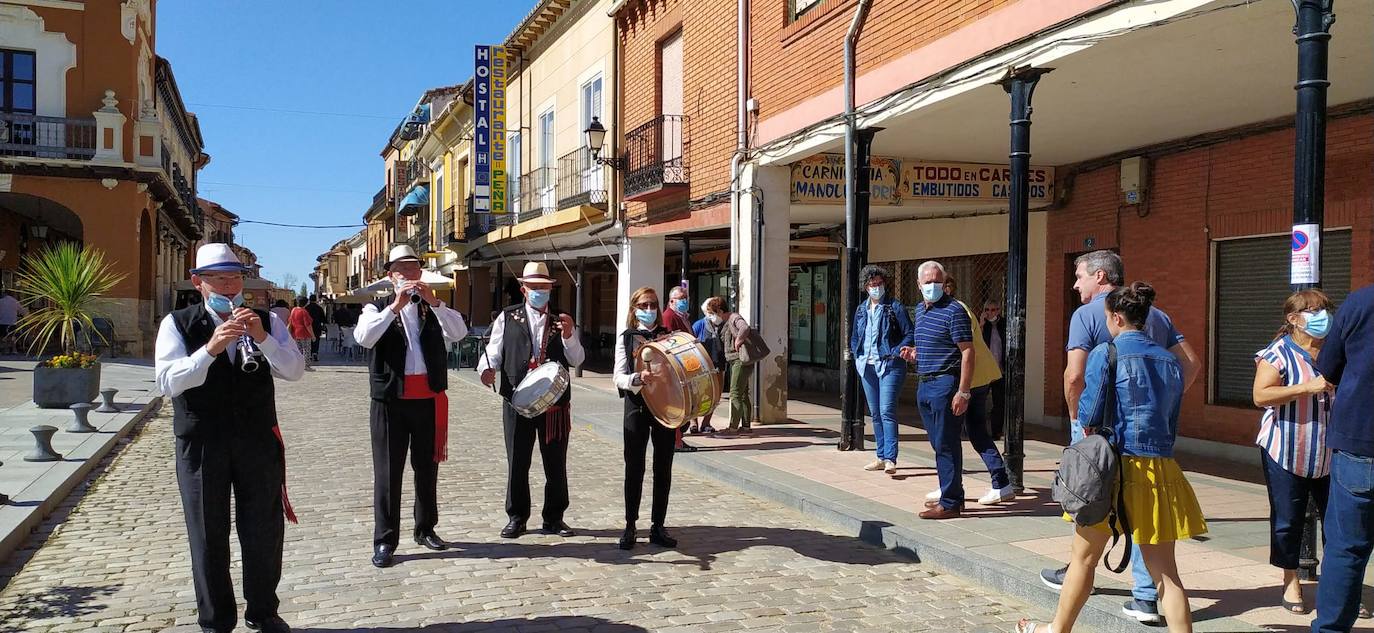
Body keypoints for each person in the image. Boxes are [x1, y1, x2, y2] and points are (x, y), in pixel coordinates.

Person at [1017, 282, 1205, 633]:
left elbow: (1089, 413)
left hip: (1113, 469)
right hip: (1159, 469)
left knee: (1083, 560)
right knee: (1167, 574)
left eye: (1107, 318)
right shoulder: (1169, 360)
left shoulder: (1106, 352)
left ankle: (1056, 630)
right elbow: (1171, 413)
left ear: (1117, 317)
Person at [154, 243, 305, 633]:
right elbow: (168, 382)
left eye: (235, 277)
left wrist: (263, 337)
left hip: (257, 439)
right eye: (219, 278)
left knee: (263, 529)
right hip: (202, 443)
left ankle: (263, 610)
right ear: (198, 282)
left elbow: (294, 370)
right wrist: (211, 348)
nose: (229, 285)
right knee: (208, 533)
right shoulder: (177, 323)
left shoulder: (267, 320)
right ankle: (216, 621)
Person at [353, 245, 468, 568]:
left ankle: (425, 528)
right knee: (388, 473)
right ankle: (385, 540)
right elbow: (364, 338)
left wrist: (434, 302)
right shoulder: (375, 309)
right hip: (390, 401)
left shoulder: (432, 308)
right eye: (402, 270)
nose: (409, 275)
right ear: (391, 276)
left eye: (414, 269)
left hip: (427, 399)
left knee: (426, 469)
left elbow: (459, 332)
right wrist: (394, 307)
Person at [1250, 290, 1346, 616]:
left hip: (1331, 455)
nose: (1323, 316)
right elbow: (1261, 395)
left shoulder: (1336, 352)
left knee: (1338, 524)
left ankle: (1339, 587)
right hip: (1286, 452)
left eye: (1326, 310)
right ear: (1293, 318)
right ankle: (1290, 580)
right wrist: (1308, 387)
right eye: (1314, 311)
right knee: (1287, 521)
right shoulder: (1278, 353)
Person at [478, 262, 585, 539]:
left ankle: (554, 517)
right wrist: (486, 369)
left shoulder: (562, 320)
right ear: (524, 289)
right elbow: (494, 350)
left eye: (545, 288)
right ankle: (517, 516)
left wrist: (569, 335)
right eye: (534, 287)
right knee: (518, 460)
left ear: (551, 289)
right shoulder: (508, 317)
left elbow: (577, 359)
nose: (540, 292)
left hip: (555, 404)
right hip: (516, 398)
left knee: (555, 462)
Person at [897, 261, 1006, 519]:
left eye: (938, 281)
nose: (933, 286)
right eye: (928, 282)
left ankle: (951, 502)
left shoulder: (954, 310)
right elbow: (934, 345)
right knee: (938, 443)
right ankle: (952, 492)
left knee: (947, 443)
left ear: (944, 282)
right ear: (918, 284)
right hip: (925, 381)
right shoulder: (921, 312)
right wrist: (914, 354)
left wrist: (963, 391)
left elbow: (967, 352)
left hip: (945, 384)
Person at [1312, 283, 1374, 632]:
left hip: (1359, 443)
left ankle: (1331, 628)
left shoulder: (1360, 302)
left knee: (1346, 551)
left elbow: (1328, 366)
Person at [925, 274, 1014, 506]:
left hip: (967, 381)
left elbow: (963, 349)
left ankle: (951, 486)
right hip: (977, 378)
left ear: (946, 288)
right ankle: (1000, 482)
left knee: (948, 435)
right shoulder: (957, 308)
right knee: (976, 432)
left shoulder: (954, 310)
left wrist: (962, 389)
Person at [613, 286, 682, 550]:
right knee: (634, 467)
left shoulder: (669, 336)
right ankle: (630, 525)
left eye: (653, 304)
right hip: (637, 406)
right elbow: (617, 377)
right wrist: (636, 379)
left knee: (663, 467)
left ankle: (658, 526)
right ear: (634, 309)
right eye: (643, 305)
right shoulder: (626, 337)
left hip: (664, 407)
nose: (649, 310)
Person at [849, 265, 913, 475]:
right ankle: (880, 455)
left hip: (889, 364)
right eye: (871, 284)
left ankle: (890, 458)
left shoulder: (895, 307)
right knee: (875, 412)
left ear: (884, 283)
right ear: (865, 287)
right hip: (866, 365)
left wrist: (895, 352)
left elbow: (909, 334)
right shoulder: (861, 309)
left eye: (879, 284)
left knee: (887, 410)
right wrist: (856, 353)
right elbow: (856, 335)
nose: (876, 287)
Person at [709, 297, 754, 437]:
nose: (712, 316)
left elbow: (745, 327)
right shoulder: (726, 321)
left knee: (735, 393)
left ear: (720, 311)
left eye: (713, 313)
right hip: (738, 361)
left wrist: (739, 340)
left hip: (739, 361)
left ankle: (733, 428)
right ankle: (746, 427)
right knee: (743, 393)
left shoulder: (734, 317)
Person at [661, 285, 697, 452]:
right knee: (678, 405)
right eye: (680, 299)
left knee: (684, 405)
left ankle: (679, 440)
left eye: (685, 298)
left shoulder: (682, 317)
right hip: (676, 367)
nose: (684, 301)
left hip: (685, 366)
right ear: (671, 301)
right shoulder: (669, 316)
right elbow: (669, 341)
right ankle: (676, 441)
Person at [690, 302, 724, 436]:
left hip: (718, 364)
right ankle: (693, 422)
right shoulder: (700, 325)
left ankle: (706, 423)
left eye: (716, 312)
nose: (714, 315)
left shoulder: (723, 325)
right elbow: (690, 341)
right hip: (701, 365)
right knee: (697, 394)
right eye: (711, 312)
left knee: (715, 395)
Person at [980, 299, 1007, 441]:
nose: (990, 313)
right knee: (979, 401)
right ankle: (978, 430)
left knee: (999, 403)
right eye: (987, 310)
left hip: (1000, 370)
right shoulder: (983, 326)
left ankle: (996, 432)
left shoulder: (1004, 324)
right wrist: (982, 325)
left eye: (994, 310)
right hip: (985, 370)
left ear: (999, 310)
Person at [287, 297, 314, 371]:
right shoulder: (304, 312)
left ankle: (298, 365)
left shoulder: (293, 310)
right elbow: (308, 325)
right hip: (304, 333)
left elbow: (290, 321)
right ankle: (306, 366)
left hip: (295, 333)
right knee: (306, 350)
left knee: (298, 350)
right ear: (305, 303)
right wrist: (312, 335)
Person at [305, 295, 326, 362]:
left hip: (308, 327)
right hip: (317, 327)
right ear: (316, 299)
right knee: (316, 340)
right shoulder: (319, 308)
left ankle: (310, 354)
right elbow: (323, 319)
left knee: (309, 341)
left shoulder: (306, 308)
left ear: (309, 299)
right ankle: (315, 353)